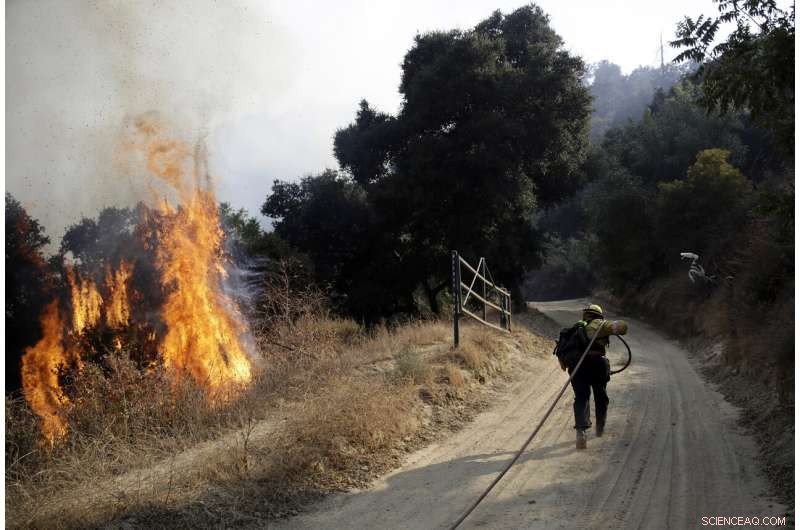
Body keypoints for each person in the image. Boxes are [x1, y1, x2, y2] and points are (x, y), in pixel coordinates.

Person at [560, 303, 628, 450]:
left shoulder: (576, 328)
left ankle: (581, 432)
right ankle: (600, 427)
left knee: (581, 397)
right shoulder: (601, 324)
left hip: (577, 367)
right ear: (599, 315)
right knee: (600, 395)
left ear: (586, 315)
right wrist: (616, 324)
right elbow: (623, 328)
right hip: (597, 364)